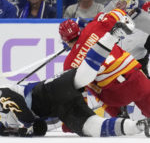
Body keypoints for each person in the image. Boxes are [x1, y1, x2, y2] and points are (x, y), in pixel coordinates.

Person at [0, 49, 149, 137]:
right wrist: (24, 129)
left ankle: (110, 39)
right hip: (60, 110)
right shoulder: (5, 126)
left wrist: (28, 126)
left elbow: (12, 99)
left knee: (82, 76)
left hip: (50, 90)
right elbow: (39, 128)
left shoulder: (3, 93)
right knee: (94, 128)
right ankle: (140, 125)